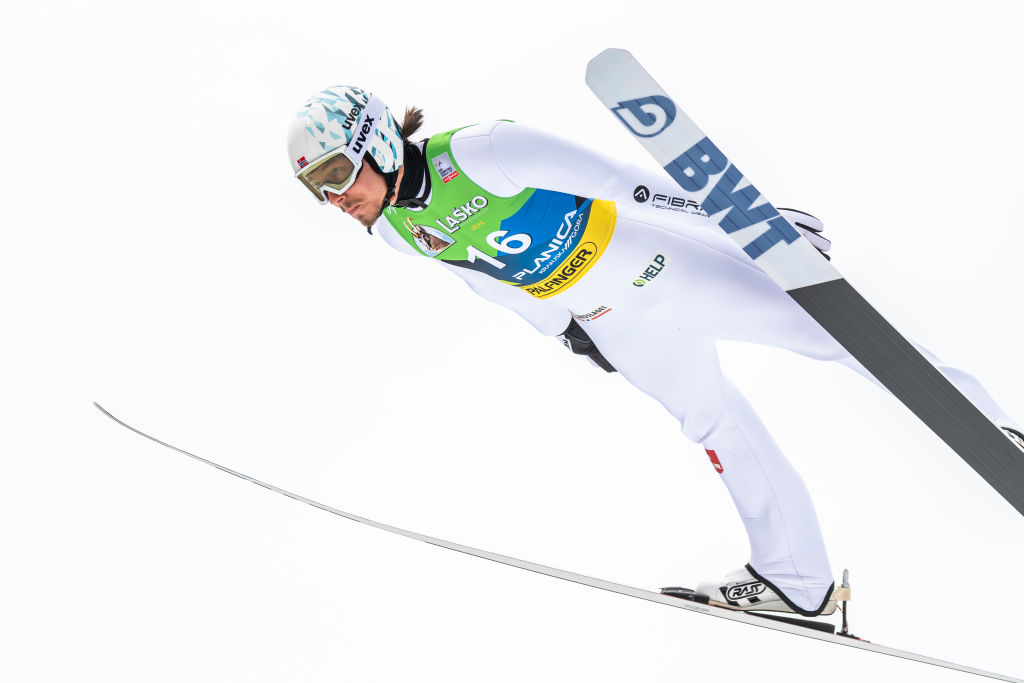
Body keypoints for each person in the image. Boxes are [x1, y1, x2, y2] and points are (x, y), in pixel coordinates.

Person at [287, 85, 1024, 617]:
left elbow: (626, 185)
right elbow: (491, 281)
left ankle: (994, 428)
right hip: (611, 315)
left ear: (376, 142)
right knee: (715, 426)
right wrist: (569, 333)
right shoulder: (395, 229)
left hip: (661, 264)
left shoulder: (482, 151)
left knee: (831, 334)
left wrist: (750, 224)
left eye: (336, 175)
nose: (335, 198)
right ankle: (799, 579)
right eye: (317, 190)